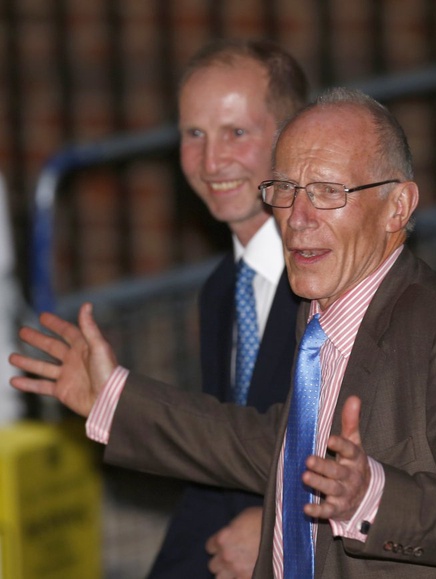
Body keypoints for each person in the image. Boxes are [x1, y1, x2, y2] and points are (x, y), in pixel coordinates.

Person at [10, 88, 436, 577]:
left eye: (325, 191)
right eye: (284, 190)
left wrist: (374, 497)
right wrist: (113, 397)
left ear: (398, 207)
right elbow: (272, 446)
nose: (296, 217)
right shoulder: (321, 312)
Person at [151, 39, 307, 578]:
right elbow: (218, 471)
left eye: (236, 133)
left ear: (291, 137)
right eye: (194, 134)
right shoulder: (221, 289)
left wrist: (277, 531)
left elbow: (374, 451)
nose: (212, 161)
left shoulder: (329, 280)